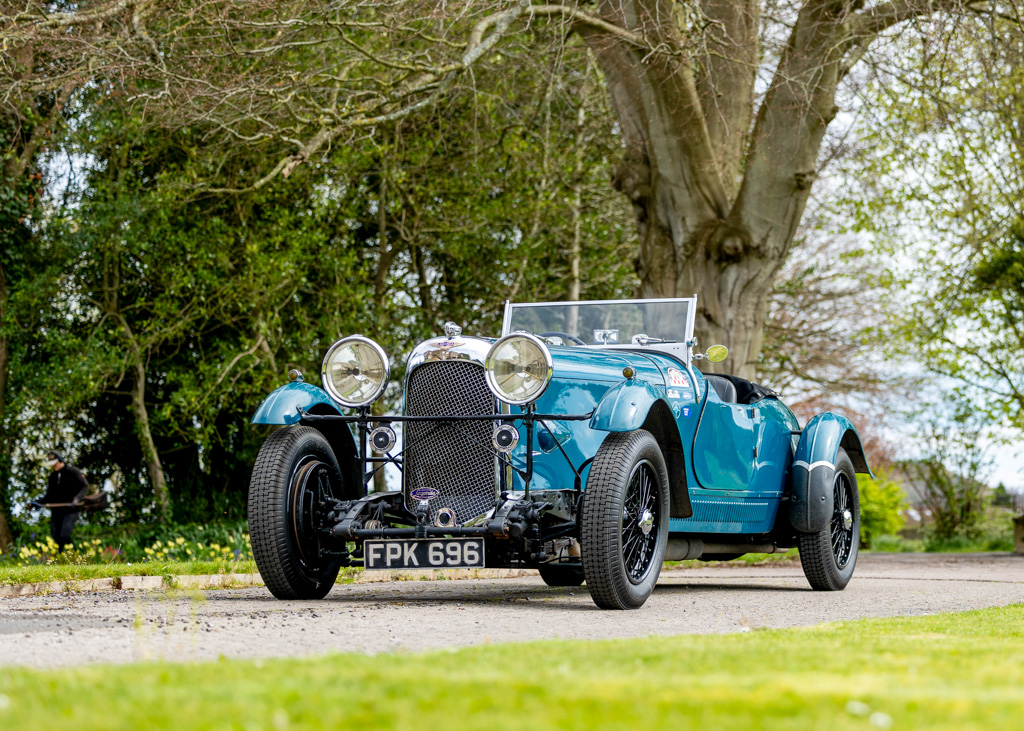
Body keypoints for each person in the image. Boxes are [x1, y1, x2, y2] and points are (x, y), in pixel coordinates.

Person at [29, 450, 90, 552]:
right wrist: (37, 503)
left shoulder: (73, 472)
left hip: (71, 509)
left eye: (55, 463)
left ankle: (75, 555)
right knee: (55, 534)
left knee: (65, 533)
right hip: (57, 510)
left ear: (60, 461)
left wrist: (77, 498)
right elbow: (48, 496)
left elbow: (85, 486)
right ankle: (61, 557)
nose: (53, 466)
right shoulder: (52, 477)